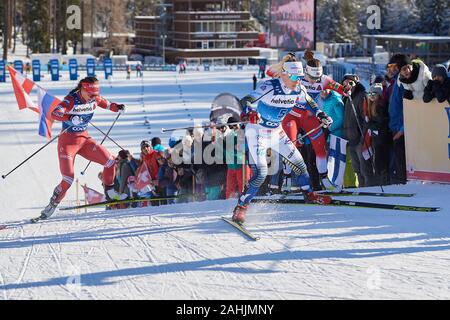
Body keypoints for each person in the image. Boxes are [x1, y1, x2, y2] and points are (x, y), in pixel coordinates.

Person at [231, 53, 331, 224]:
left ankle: (309, 195)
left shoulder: (299, 89)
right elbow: (246, 100)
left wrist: (321, 114)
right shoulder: (270, 86)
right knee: (260, 174)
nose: (297, 80)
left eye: (300, 77)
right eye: (293, 76)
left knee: (300, 165)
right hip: (257, 133)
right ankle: (241, 207)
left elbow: (309, 102)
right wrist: (249, 112)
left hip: (276, 133)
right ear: (284, 74)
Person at [38, 77, 126, 219]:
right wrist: (69, 117)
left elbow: (108, 104)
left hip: (84, 140)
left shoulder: (95, 99)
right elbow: (54, 113)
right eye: (91, 94)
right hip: (67, 144)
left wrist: (118, 107)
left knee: (110, 161)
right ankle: (52, 204)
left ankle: (110, 191)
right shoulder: (71, 99)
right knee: (68, 179)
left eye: (95, 94)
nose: (93, 97)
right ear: (83, 89)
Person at [279, 51, 336, 190]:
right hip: (291, 116)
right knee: (290, 145)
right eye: (310, 77)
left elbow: (340, 88)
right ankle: (286, 178)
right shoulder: (296, 79)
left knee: (320, 146)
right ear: (305, 72)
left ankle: (324, 178)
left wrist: (348, 87)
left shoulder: (324, 80)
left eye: (317, 78)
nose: (313, 81)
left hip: (308, 116)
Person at [342, 74, 376, 187]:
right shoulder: (347, 98)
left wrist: (363, 138)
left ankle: (369, 189)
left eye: (350, 83)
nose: (348, 86)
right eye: (345, 84)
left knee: (365, 168)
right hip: (350, 138)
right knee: (357, 169)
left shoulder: (361, 96)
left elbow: (366, 118)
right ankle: (361, 189)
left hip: (360, 138)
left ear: (355, 84)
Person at [366, 83, 392, 185]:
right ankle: (380, 181)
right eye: (370, 93)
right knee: (378, 161)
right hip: (377, 138)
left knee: (381, 161)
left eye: (374, 93)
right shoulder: (372, 105)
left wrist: (371, 124)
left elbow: (382, 122)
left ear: (379, 95)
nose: (372, 95)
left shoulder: (380, 106)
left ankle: (383, 182)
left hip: (382, 139)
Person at [387, 54, 407, 184]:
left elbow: (408, 107)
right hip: (394, 126)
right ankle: (397, 181)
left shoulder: (403, 81)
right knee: (394, 159)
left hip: (400, 128)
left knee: (399, 160)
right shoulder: (396, 81)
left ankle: (400, 183)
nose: (390, 69)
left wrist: (402, 129)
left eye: (393, 66)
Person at [225, 117, 250, 199]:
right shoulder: (228, 134)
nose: (233, 128)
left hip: (242, 164)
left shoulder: (244, 132)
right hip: (231, 165)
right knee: (230, 188)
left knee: (243, 186)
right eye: (231, 126)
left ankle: (244, 201)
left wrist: (241, 147)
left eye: (235, 125)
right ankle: (228, 202)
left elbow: (249, 145)